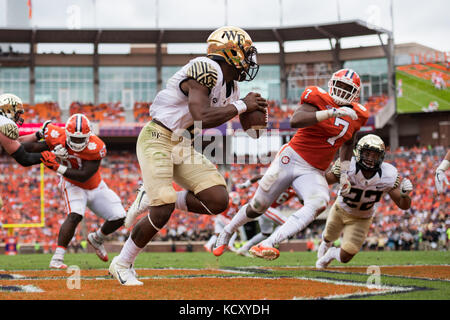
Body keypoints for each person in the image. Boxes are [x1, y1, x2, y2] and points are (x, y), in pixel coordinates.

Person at [109, 26, 267, 286]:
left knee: (218, 200)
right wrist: (241, 107)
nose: (250, 60)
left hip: (182, 143)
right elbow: (201, 116)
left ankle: (152, 196)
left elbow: (251, 133)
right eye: (246, 53)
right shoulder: (204, 67)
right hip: (157, 137)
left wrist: (255, 121)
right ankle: (122, 264)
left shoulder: (233, 89)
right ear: (231, 52)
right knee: (162, 210)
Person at [213, 68, 369, 260]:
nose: (343, 91)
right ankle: (226, 232)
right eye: (340, 85)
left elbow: (348, 143)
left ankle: (268, 243)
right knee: (258, 205)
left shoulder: (359, 114)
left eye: (348, 88)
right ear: (331, 84)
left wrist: (344, 175)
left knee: (319, 202)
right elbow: (296, 120)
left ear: (355, 93)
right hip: (291, 158)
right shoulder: (317, 96)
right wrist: (332, 113)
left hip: (313, 171)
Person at [21, 113, 127, 269]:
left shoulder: (96, 146)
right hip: (72, 184)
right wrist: (45, 147)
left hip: (95, 185)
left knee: (120, 216)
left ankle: (97, 238)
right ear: (67, 134)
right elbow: (26, 148)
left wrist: (57, 166)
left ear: (88, 135)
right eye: (74, 139)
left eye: (81, 139)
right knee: (75, 215)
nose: (78, 142)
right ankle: (57, 259)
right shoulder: (56, 135)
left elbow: (84, 176)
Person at [315, 134, 413, 268]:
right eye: (367, 154)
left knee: (346, 257)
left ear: (382, 157)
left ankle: (331, 253)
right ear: (358, 152)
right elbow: (325, 180)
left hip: (362, 218)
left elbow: (404, 205)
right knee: (328, 236)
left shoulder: (388, 175)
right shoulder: (348, 165)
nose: (371, 159)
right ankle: (326, 244)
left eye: (375, 155)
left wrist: (405, 195)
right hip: (340, 209)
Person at [0, 93, 48, 209]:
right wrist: (52, 156)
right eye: (17, 113)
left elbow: (17, 142)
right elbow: (24, 158)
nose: (19, 117)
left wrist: (39, 134)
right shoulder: (4, 125)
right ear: (8, 110)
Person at [233, 175, 297, 257]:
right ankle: (270, 243)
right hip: (267, 208)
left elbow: (302, 199)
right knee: (286, 224)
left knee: (265, 233)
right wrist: (246, 184)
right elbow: (262, 176)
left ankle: (244, 248)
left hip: (267, 210)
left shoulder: (294, 190)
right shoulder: (281, 181)